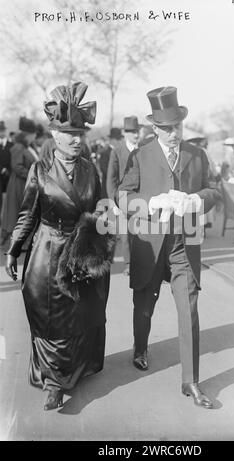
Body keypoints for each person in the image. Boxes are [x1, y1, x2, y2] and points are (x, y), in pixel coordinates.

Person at [5, 82, 112, 411]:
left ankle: (74, 371)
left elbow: (100, 207)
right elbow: (27, 215)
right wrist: (13, 248)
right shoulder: (39, 170)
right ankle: (53, 383)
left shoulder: (91, 170)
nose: (77, 139)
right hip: (48, 253)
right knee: (51, 318)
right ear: (55, 135)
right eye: (70, 134)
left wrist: (101, 236)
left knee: (79, 316)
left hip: (81, 251)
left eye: (80, 133)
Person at [118, 86, 221, 408]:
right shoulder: (140, 155)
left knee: (188, 310)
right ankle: (140, 347)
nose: (173, 133)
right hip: (150, 244)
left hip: (184, 245)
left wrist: (196, 199)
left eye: (176, 126)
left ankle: (190, 381)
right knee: (144, 305)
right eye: (165, 128)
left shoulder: (197, 154)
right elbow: (122, 196)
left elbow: (214, 190)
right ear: (154, 129)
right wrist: (150, 203)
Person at [106, 116, 141, 275]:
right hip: (123, 198)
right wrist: (113, 203)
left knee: (142, 232)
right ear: (124, 133)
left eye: (137, 131)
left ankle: (143, 264)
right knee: (125, 234)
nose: (135, 135)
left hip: (142, 197)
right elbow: (111, 178)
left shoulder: (144, 149)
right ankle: (129, 264)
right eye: (132, 132)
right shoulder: (117, 151)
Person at [1, 117, 37, 245]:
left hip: (25, 183)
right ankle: (18, 242)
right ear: (27, 135)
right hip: (19, 184)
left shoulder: (26, 147)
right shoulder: (18, 147)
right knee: (19, 212)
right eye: (33, 135)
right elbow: (17, 167)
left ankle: (22, 240)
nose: (34, 138)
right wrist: (33, 174)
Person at [0, 121, 13, 222]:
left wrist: (7, 169)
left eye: (3, 130)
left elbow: (13, 159)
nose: (1, 132)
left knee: (9, 199)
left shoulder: (11, 145)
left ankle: (7, 220)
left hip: (9, 175)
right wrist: (2, 169)